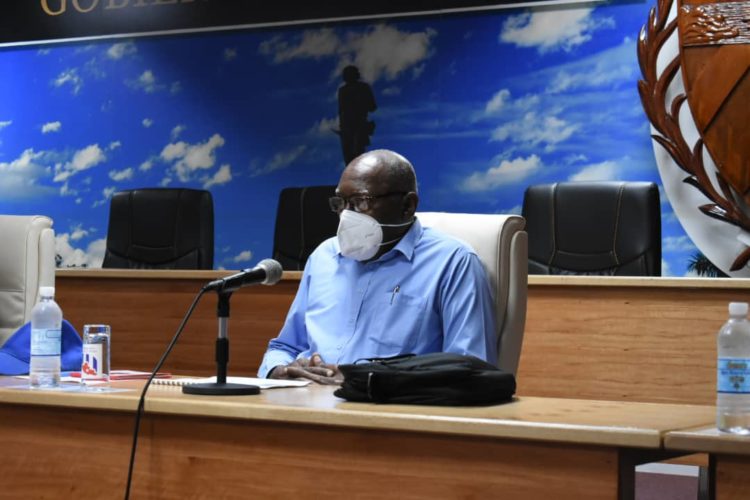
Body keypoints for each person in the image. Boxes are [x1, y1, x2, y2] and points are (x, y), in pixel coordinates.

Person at [258, 149, 497, 383]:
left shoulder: (453, 262)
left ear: (407, 205)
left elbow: (469, 370)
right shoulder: (324, 256)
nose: (346, 215)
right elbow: (285, 346)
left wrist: (365, 381)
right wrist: (279, 370)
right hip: (306, 399)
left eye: (361, 202)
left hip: (389, 404)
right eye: (340, 203)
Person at [337, 65, 377, 165]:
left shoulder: (363, 88)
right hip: (347, 128)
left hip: (358, 125)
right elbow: (341, 110)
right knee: (349, 159)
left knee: (358, 157)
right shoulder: (343, 90)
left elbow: (372, 107)